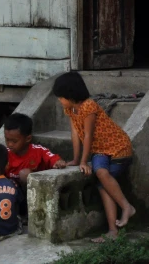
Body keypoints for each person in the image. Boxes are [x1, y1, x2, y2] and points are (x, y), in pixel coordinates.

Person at [53, 71, 135, 241]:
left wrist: (84, 161)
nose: (59, 101)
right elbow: (75, 134)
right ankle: (113, 231)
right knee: (101, 183)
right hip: (101, 151)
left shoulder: (88, 106)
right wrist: (76, 160)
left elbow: (88, 135)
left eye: (61, 97)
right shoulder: (70, 109)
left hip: (118, 149)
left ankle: (126, 208)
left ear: (70, 94)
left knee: (101, 176)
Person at [4, 113, 66, 187]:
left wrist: (58, 162)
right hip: (10, 191)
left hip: (31, 190)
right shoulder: (4, 153)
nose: (10, 144)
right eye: (7, 140)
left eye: (14, 141)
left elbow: (54, 159)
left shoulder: (38, 151)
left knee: (25, 173)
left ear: (28, 139)